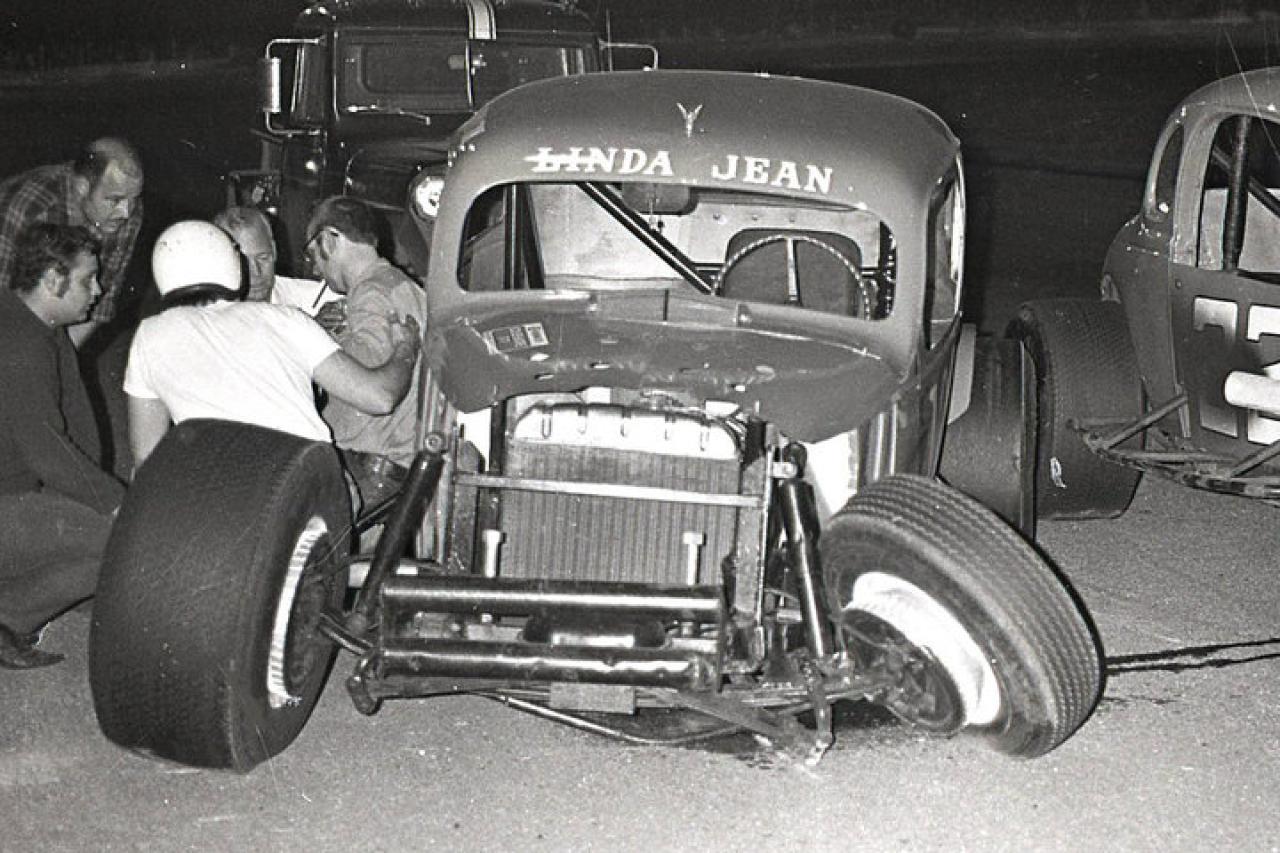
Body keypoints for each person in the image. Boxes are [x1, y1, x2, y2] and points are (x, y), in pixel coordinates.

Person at [124, 220, 420, 473]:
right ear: (231, 262)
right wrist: (405, 347)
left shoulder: (149, 335)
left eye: (262, 258)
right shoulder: (288, 319)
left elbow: (147, 460)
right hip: (304, 486)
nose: (255, 271)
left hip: (218, 492)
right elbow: (380, 397)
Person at [0, 223, 126, 668]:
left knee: (101, 527)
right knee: (124, 540)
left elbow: (77, 423)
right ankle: (9, 618)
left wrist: (92, 497)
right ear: (53, 280)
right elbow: (48, 450)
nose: (99, 290)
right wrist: (115, 503)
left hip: (15, 495)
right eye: (88, 279)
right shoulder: (22, 346)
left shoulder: (34, 322)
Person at [305, 197, 428, 512]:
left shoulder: (371, 291)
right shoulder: (405, 286)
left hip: (368, 471)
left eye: (313, 255)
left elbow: (366, 379)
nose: (317, 270)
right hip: (398, 468)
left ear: (330, 240)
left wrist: (318, 338)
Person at [0, 137, 144, 347]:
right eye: (114, 200)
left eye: (134, 199)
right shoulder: (29, 209)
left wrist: (60, 359)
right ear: (82, 187)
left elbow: (98, 307)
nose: (126, 212)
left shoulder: (124, 215)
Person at [213, 205, 342, 314]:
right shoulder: (209, 316)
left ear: (274, 251)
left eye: (263, 258)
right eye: (243, 263)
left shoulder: (312, 300)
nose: (256, 273)